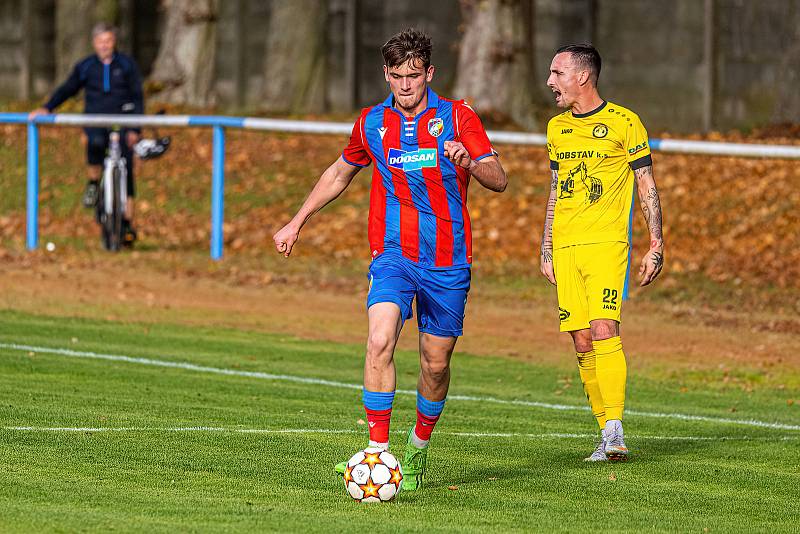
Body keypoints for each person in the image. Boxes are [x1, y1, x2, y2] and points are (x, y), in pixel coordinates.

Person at [273, 28, 507, 490]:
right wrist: (297, 221)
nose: (404, 85)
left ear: (429, 74)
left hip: (447, 262)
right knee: (379, 341)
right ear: (386, 73)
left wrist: (470, 162)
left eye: (413, 76)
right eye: (396, 76)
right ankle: (377, 453)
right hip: (392, 256)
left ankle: (417, 450)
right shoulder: (370, 123)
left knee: (434, 365)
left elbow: (499, 178)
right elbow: (341, 172)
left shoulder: (458, 117)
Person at [539, 43, 664, 461]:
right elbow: (556, 189)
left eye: (558, 73)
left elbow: (646, 186)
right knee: (580, 341)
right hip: (567, 247)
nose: (550, 81)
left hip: (607, 245)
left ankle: (615, 429)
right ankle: (604, 433)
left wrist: (656, 245)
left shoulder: (624, 123)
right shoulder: (556, 128)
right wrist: (546, 247)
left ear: (582, 76)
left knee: (603, 328)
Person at [29, 22, 143, 245]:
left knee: (127, 171)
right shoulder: (86, 66)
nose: (105, 45)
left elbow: (138, 96)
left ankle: (127, 223)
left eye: (108, 41)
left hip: (123, 121)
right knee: (95, 143)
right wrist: (48, 107)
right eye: (101, 41)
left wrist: (135, 129)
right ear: (94, 43)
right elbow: (68, 89)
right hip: (95, 120)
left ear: (114, 42)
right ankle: (93, 183)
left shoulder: (127, 65)